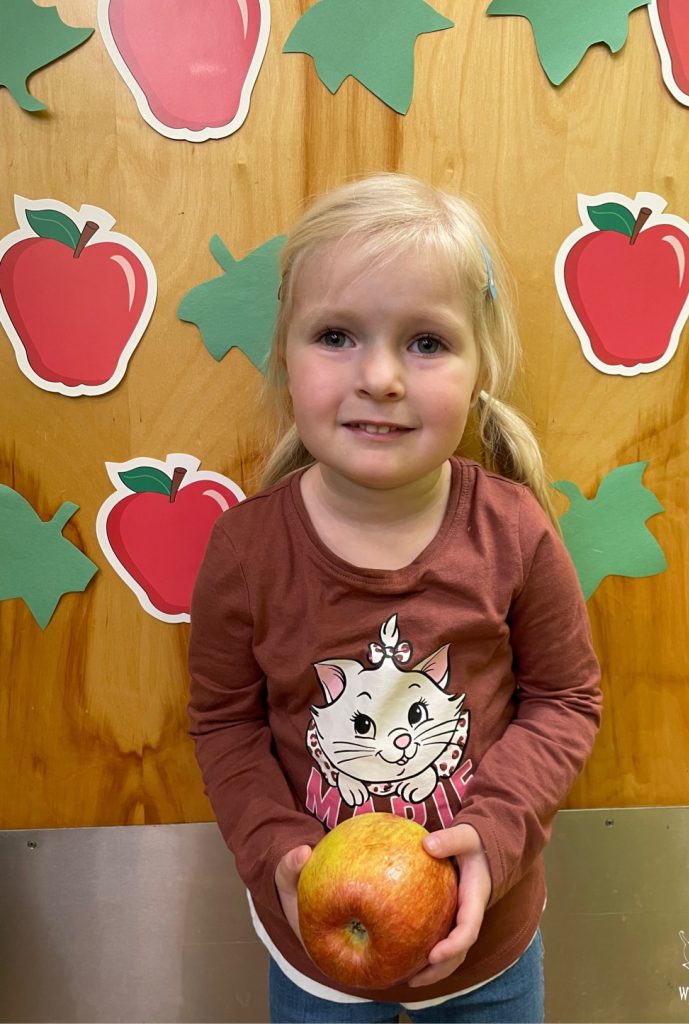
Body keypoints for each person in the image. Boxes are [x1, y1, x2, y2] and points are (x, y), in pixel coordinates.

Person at [188, 172, 601, 1023]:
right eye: (336, 335)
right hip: (316, 949)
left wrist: (494, 833)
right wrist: (273, 845)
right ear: (284, 354)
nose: (379, 376)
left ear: (481, 370)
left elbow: (565, 699)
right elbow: (224, 723)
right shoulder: (245, 552)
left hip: (489, 948)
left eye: (426, 342)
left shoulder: (514, 532)